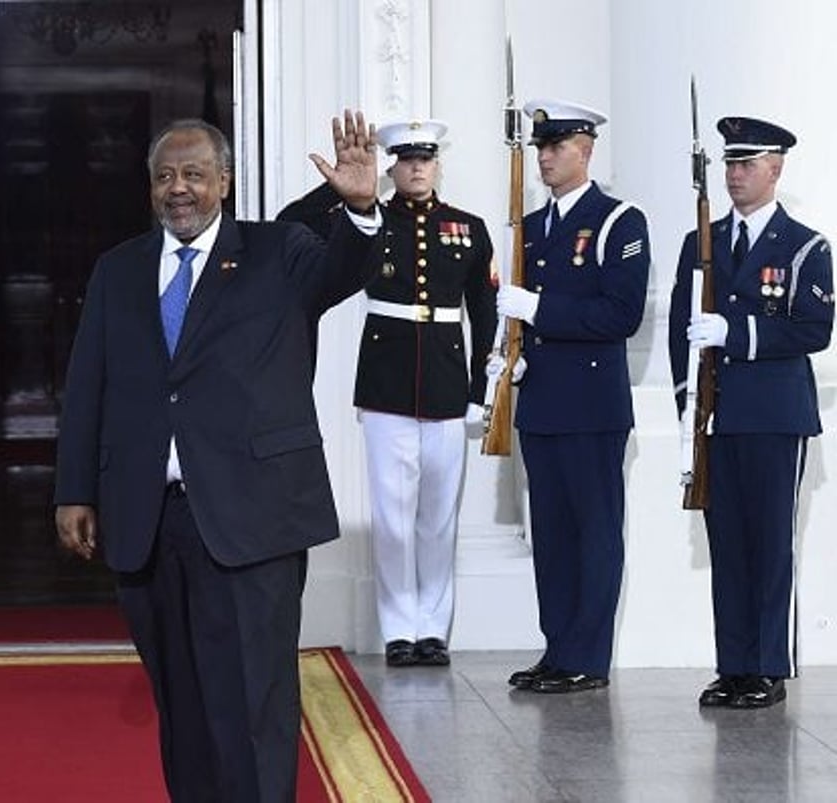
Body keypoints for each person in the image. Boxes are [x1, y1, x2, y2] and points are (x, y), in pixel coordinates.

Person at [54, 111, 380, 802]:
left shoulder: (279, 253)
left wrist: (358, 207)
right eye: (165, 176)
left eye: (195, 174)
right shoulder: (118, 270)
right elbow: (87, 386)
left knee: (254, 701)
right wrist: (74, 489)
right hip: (149, 519)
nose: (179, 188)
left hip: (251, 516)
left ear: (223, 182)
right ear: (149, 187)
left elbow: (346, 272)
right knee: (184, 703)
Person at [278, 119, 497, 668]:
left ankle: (434, 630)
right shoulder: (366, 220)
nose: (417, 167)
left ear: (438, 165)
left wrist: (480, 388)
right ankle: (400, 628)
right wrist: (341, 190)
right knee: (394, 516)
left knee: (438, 516)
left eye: (426, 158)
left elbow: (485, 312)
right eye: (406, 159)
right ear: (392, 167)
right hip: (386, 381)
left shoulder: (467, 228)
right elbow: (289, 227)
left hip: (447, 381)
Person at [669, 117, 833, 709]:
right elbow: (678, 332)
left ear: (776, 168)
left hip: (774, 416)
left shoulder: (806, 245)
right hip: (718, 416)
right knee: (728, 545)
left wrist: (736, 333)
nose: (736, 175)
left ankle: (768, 665)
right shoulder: (701, 242)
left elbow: (814, 330)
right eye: (729, 164)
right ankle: (733, 664)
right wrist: (688, 405)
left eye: (748, 164)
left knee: (770, 544)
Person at [496, 100, 650, 694]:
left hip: (591, 405)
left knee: (594, 531)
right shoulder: (529, 229)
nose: (545, 157)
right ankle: (558, 647)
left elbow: (620, 314)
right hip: (541, 401)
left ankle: (588, 655)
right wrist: (503, 356)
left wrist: (538, 309)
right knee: (553, 536)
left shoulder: (618, 221)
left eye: (556, 146)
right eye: (540, 147)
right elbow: (516, 321)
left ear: (585, 149)